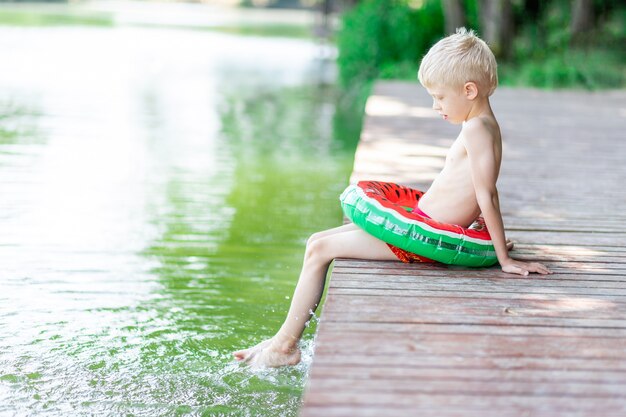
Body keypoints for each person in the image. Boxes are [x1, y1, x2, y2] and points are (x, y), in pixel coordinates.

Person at [233, 28, 552, 368]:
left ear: (469, 90)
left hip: (418, 239)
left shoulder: (476, 130)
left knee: (319, 249)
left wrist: (503, 258)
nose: (435, 105)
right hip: (419, 224)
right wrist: (487, 233)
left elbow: (487, 193)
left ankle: (285, 347)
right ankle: (281, 338)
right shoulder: (483, 125)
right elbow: (481, 190)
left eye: (440, 97)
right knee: (317, 241)